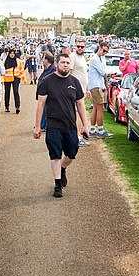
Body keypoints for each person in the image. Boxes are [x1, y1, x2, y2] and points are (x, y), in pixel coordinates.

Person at [33, 52, 91, 198]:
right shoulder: (47, 81)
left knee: (72, 153)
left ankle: (63, 168)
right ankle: (58, 184)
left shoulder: (74, 82)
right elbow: (41, 104)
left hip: (70, 125)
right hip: (53, 125)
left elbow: (80, 104)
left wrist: (85, 125)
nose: (65, 65)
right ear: (57, 64)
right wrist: (38, 126)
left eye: (67, 63)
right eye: (63, 62)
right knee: (55, 155)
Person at [87, 42, 112, 138]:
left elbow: (104, 71)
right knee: (100, 108)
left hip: (98, 85)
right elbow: (102, 72)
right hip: (96, 86)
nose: (104, 53)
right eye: (104, 50)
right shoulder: (94, 59)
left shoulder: (102, 58)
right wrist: (108, 73)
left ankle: (93, 129)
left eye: (106, 51)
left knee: (96, 108)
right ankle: (100, 130)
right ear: (100, 48)